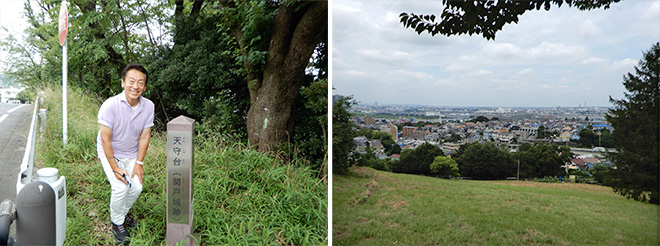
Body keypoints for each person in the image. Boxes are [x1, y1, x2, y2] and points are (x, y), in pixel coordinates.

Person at [97, 64, 154, 243]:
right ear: (123, 83)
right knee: (120, 187)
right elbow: (105, 139)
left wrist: (139, 164)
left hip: (131, 153)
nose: (135, 86)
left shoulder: (149, 106)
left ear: (144, 87)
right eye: (131, 81)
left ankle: (121, 213)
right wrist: (115, 167)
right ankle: (117, 222)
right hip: (110, 151)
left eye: (140, 83)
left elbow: (145, 137)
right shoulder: (110, 105)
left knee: (137, 187)